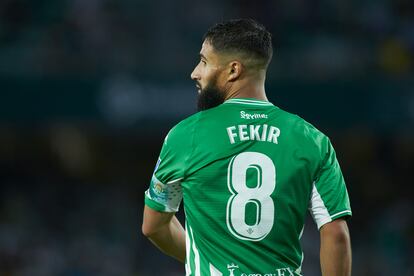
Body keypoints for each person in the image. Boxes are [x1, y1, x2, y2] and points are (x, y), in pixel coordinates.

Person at [142, 18, 352, 276]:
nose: (194, 72)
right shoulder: (312, 140)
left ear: (233, 70)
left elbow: (153, 226)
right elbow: (336, 234)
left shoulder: (185, 136)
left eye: (204, 62)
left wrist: (203, 257)